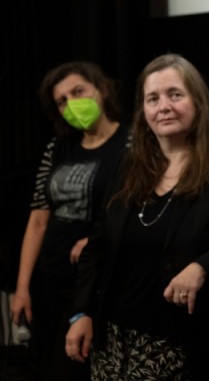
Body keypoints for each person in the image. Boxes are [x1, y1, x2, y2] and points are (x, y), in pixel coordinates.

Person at [65, 54, 209, 380]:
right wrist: (81, 311)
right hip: (114, 339)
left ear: (197, 102)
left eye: (175, 94)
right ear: (143, 111)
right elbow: (98, 242)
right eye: (152, 98)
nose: (164, 106)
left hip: (186, 343)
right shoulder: (129, 164)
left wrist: (203, 266)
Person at [10, 61, 127, 381]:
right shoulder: (57, 147)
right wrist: (22, 287)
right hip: (49, 277)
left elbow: (132, 212)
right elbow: (38, 218)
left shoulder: (130, 143)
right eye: (62, 101)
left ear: (102, 90)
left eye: (78, 92)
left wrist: (97, 239)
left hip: (93, 282)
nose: (71, 104)